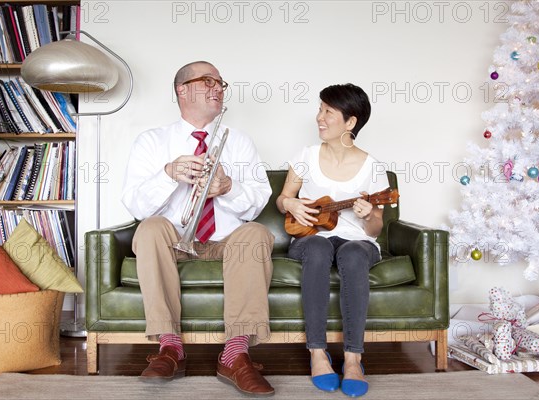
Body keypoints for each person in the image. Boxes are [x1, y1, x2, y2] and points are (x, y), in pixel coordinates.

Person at [121, 61, 275, 396]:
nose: (218, 88)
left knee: (257, 233)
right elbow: (136, 206)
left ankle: (235, 354)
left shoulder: (241, 141)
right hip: (175, 240)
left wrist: (228, 187)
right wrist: (167, 175)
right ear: (182, 89)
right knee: (149, 228)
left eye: (221, 83)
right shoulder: (151, 141)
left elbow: (259, 199)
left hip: (225, 241)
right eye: (208, 81)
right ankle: (170, 347)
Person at [275, 83, 390, 397]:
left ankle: (353, 359)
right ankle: (317, 353)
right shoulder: (306, 156)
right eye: (319, 109)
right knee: (318, 245)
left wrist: (369, 215)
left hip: (357, 241)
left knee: (353, 253)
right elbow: (283, 199)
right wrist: (291, 204)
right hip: (311, 237)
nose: (319, 118)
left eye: (328, 112)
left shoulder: (372, 167)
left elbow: (375, 231)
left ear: (350, 122)